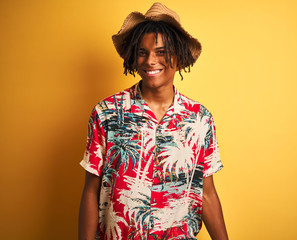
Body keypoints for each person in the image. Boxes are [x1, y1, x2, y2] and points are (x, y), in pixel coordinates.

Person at [78, 3, 228, 240]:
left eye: (161, 52)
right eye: (142, 52)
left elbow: (207, 193)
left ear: (178, 56)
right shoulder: (106, 113)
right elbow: (91, 191)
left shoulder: (200, 119)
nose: (150, 60)